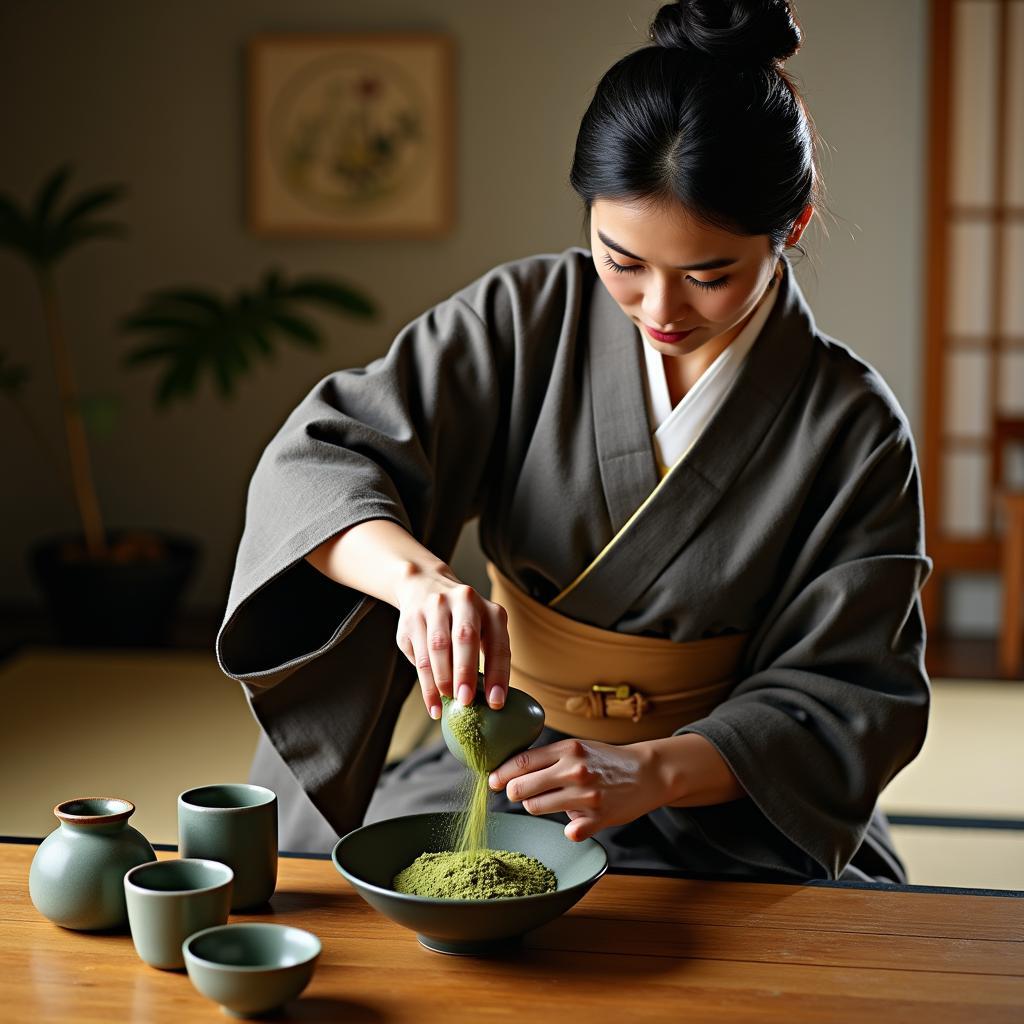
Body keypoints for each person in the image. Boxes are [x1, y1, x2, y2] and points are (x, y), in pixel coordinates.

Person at [216, 0, 932, 883]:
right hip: (508, 757)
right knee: (371, 901)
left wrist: (652, 770)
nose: (661, 311)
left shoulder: (851, 427)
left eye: (709, 276)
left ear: (792, 229)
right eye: (622, 262)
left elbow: (856, 694)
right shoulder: (523, 320)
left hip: (731, 796)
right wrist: (420, 586)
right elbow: (321, 462)